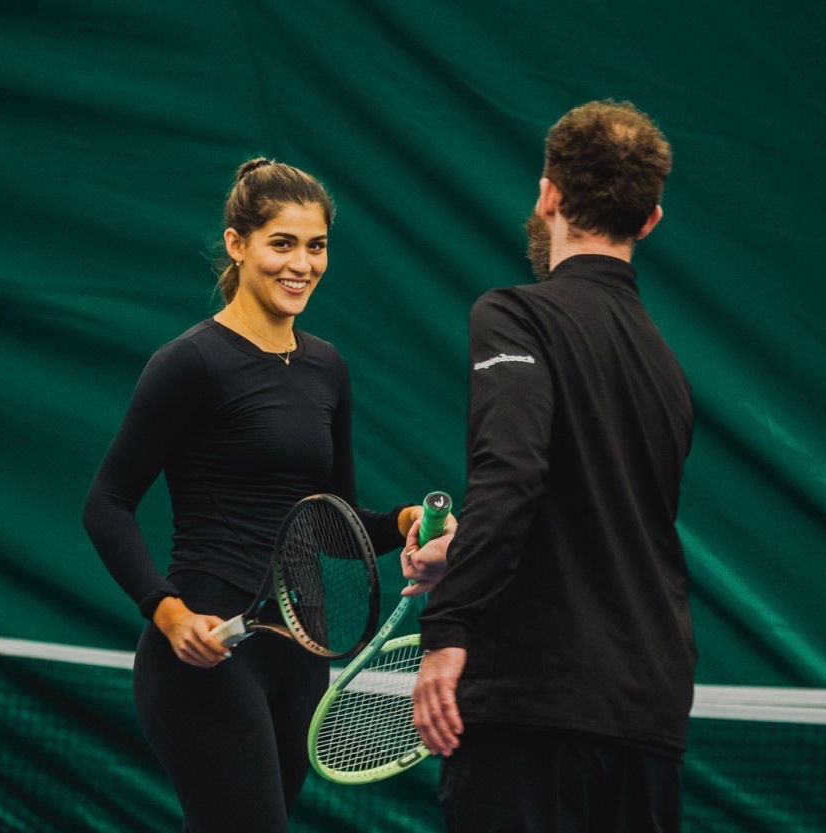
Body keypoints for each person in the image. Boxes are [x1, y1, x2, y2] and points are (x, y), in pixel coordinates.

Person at [83, 158, 420, 833]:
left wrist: (407, 521)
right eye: (282, 243)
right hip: (205, 654)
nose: (302, 264)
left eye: (316, 245)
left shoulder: (326, 366)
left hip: (300, 659)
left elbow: (336, 528)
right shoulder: (191, 363)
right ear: (238, 244)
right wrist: (170, 614)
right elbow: (106, 504)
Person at [401, 100, 696, 832]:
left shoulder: (514, 315)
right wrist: (466, 552)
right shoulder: (668, 371)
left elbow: (514, 474)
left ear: (549, 195)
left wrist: (448, 628)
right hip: (650, 714)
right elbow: (580, 518)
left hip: (533, 711)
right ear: (651, 217)